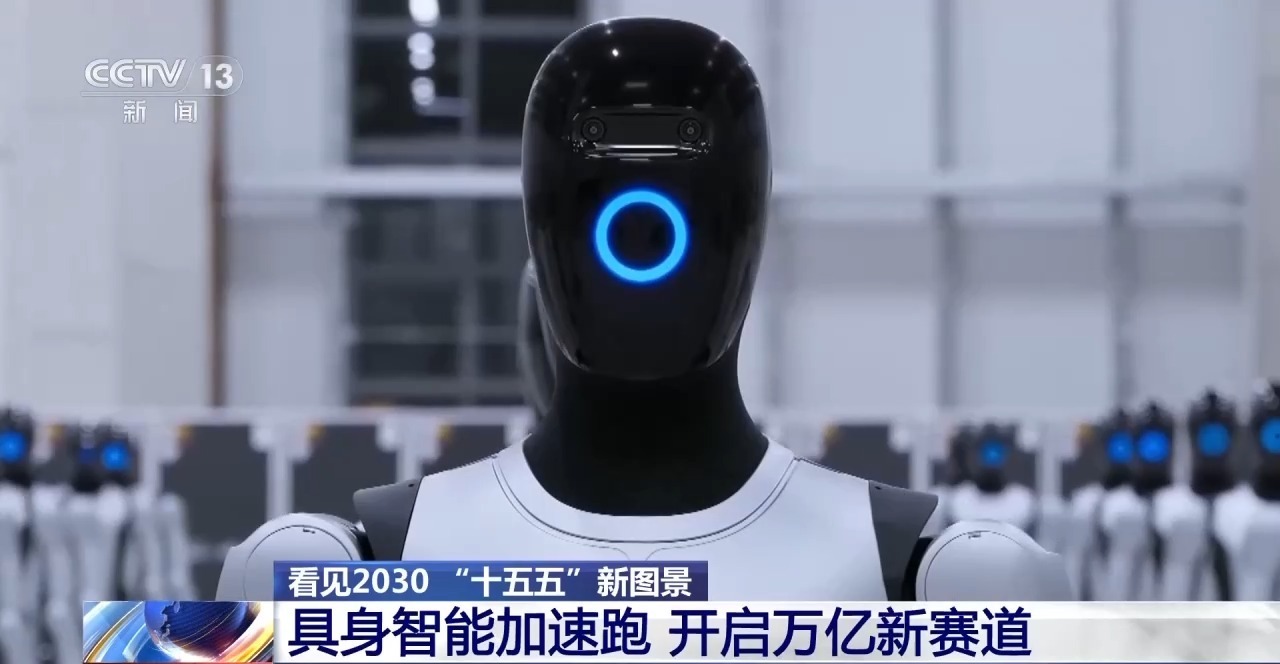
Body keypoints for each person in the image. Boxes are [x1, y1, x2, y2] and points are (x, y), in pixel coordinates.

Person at [218, 17, 1070, 602]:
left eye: (673, 215)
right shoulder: (357, 569)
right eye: (605, 210)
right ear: (542, 229)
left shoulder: (928, 581)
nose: (639, 244)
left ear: (745, 229)